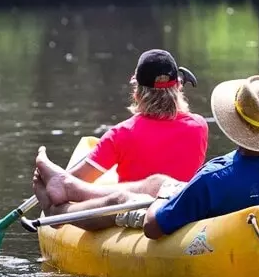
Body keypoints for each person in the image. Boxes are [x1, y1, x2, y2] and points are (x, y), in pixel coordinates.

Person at [34, 75, 259, 236]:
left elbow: (152, 227)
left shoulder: (214, 176)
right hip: (236, 215)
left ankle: (58, 211)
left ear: (233, 124)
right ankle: (70, 186)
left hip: (199, 222)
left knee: (124, 200)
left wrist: (162, 200)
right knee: (158, 181)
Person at [55, 48, 208, 185]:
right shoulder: (199, 126)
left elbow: (69, 182)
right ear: (178, 87)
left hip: (133, 207)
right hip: (181, 206)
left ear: (137, 93)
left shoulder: (119, 135)